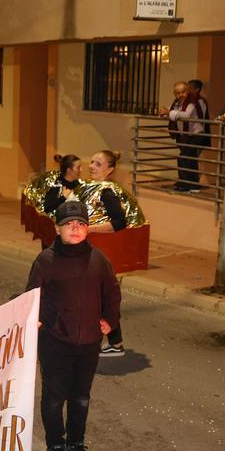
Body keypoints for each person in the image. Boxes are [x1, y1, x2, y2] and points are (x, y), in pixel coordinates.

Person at [26, 200, 121, 451]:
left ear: (87, 228)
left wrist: (109, 321)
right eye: (69, 225)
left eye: (80, 224)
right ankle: (56, 445)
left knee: (81, 397)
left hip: (89, 342)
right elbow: (32, 295)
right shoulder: (46, 260)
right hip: (56, 342)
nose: (75, 229)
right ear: (57, 229)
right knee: (55, 397)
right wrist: (40, 320)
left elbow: (112, 293)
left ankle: (76, 445)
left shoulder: (98, 259)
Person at [82, 149, 146, 357]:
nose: (91, 166)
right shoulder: (91, 188)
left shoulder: (106, 192)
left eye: (98, 164)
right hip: (89, 253)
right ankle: (115, 343)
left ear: (110, 170)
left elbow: (119, 223)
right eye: (92, 161)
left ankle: (101, 343)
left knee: (96, 300)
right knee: (97, 299)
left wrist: (89, 229)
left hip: (98, 254)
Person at [158, 81, 207, 193]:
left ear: (188, 91)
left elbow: (186, 115)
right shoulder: (176, 103)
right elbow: (171, 113)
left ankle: (185, 184)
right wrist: (165, 113)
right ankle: (193, 185)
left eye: (183, 92)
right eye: (177, 93)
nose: (180, 95)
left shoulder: (193, 101)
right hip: (185, 135)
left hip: (196, 134)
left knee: (183, 158)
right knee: (190, 159)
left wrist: (169, 112)